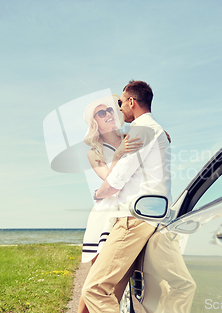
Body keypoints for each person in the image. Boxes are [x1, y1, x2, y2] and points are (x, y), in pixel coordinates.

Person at [81, 80, 172, 313]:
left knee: (94, 289)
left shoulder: (140, 132)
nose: (118, 108)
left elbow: (115, 181)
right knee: (108, 286)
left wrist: (98, 193)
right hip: (130, 215)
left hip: (132, 218)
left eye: (119, 103)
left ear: (132, 102)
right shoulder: (148, 129)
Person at [77, 94, 142, 313]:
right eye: (101, 112)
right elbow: (110, 180)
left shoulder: (130, 135)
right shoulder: (93, 153)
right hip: (105, 215)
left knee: (114, 284)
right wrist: (120, 154)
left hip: (130, 211)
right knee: (95, 282)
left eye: (110, 110)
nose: (108, 114)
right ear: (94, 122)